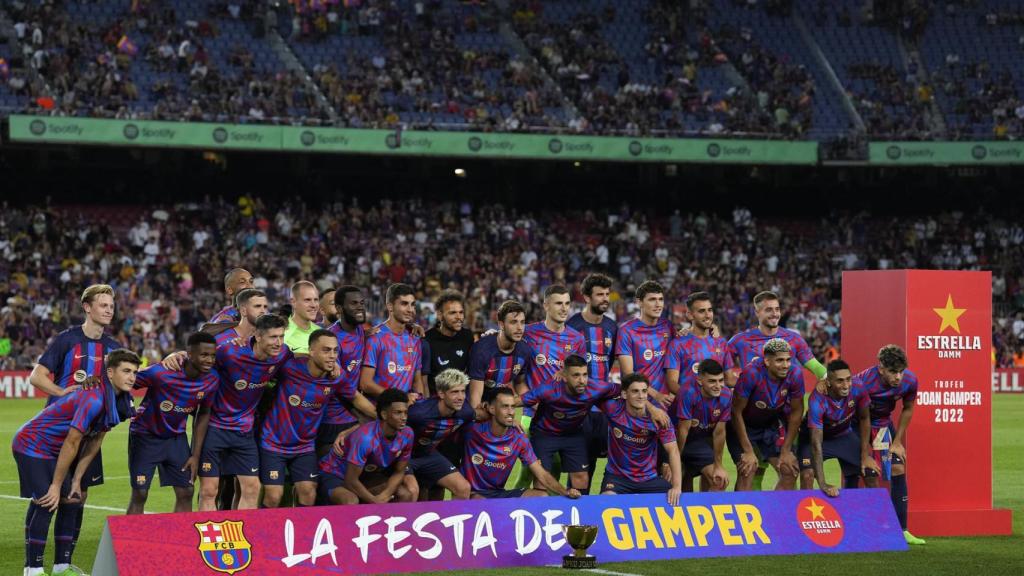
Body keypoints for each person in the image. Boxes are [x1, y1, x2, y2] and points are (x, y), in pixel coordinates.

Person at [14, 349, 140, 576]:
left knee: (72, 499)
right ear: (110, 373)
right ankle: (33, 570)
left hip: (52, 449)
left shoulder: (119, 400)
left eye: (134, 372)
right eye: (126, 371)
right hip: (33, 444)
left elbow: (95, 441)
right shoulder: (94, 399)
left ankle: (61, 567)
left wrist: (77, 481)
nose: (132, 377)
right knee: (48, 501)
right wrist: (55, 485)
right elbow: (72, 442)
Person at [27, 284, 122, 556]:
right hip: (58, 431)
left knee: (77, 496)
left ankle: (63, 563)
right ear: (87, 307)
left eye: (111, 306)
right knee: (47, 496)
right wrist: (61, 391)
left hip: (90, 434)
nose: (108, 310)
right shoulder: (66, 340)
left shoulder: (113, 348)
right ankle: (32, 565)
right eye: (103, 305)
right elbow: (37, 376)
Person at [260, 329, 375, 507]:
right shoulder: (290, 368)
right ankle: (265, 533)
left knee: (308, 494)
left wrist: (381, 415)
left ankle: (300, 533)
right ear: (311, 351)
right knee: (274, 496)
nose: (332, 356)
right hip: (274, 442)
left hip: (304, 446)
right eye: (326, 350)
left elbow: (355, 397)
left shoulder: (336, 378)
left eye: (335, 351)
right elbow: (268, 357)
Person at [192, 314, 291, 510]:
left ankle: (244, 538)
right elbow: (201, 361)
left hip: (244, 432)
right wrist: (176, 355)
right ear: (258, 336)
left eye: (281, 336)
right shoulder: (230, 351)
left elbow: (301, 360)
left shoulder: (282, 354)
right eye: (273, 337)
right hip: (215, 428)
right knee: (209, 490)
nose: (278, 342)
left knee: (252, 488)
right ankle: (208, 539)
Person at [127, 332, 219, 514]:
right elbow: (128, 380)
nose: (209, 360)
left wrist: (195, 455)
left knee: (186, 492)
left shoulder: (212, 379)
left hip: (176, 439)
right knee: (140, 493)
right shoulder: (161, 372)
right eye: (204, 355)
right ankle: (131, 541)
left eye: (212, 356)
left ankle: (179, 539)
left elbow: (204, 413)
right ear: (189, 354)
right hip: (145, 436)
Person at [512, 284, 586, 489]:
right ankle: (513, 509)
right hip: (532, 413)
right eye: (558, 303)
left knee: (554, 470)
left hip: (562, 417)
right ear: (546, 305)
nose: (564, 308)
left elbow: (578, 378)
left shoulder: (577, 339)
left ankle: (548, 512)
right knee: (532, 470)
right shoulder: (529, 333)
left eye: (567, 303)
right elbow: (518, 375)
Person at [853, 345, 926, 545]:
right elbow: (859, 417)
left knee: (897, 466)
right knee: (868, 473)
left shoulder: (909, 380)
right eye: (893, 372)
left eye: (901, 371)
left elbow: (908, 408)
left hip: (883, 425)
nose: (898, 377)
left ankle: (902, 529)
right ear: (881, 368)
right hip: (856, 424)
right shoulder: (863, 382)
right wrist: (865, 451)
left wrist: (897, 442)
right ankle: (873, 528)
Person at [461, 387, 581, 499]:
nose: (511, 412)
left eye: (513, 407)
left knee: (541, 495)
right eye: (505, 407)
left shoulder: (518, 438)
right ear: (491, 408)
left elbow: (541, 474)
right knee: (479, 499)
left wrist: (565, 491)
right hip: (474, 494)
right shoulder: (472, 430)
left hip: (499, 494)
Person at [728, 338, 804, 491]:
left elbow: (797, 412)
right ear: (767, 361)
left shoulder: (795, 373)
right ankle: (743, 512)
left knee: (789, 470)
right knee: (747, 469)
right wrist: (748, 451)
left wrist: (786, 450)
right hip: (742, 425)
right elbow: (736, 412)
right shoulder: (752, 373)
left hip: (769, 424)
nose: (786, 365)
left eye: (788, 360)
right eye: (780, 360)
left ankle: (778, 513)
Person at [317, 389, 417, 504]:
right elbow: (350, 481)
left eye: (405, 412)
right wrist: (375, 501)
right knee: (350, 501)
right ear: (384, 414)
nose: (404, 417)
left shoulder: (407, 434)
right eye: (398, 413)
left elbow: (399, 471)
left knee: (404, 494)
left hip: (364, 475)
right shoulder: (366, 438)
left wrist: (385, 495)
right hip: (335, 473)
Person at [566, 273, 618, 493]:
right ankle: (576, 523)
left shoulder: (612, 327)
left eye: (607, 294)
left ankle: (598, 518)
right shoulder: (573, 325)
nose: (605, 298)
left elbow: (612, 357)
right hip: (579, 410)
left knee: (611, 468)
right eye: (599, 294)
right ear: (586, 297)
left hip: (604, 410)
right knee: (580, 476)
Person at [800, 359, 879, 497]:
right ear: (828, 382)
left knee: (870, 472)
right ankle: (804, 516)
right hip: (814, 440)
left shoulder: (858, 387)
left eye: (848, 379)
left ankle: (879, 516)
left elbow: (864, 418)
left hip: (843, 435)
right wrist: (823, 483)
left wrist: (865, 455)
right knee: (807, 475)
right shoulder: (816, 400)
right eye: (840, 381)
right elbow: (816, 443)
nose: (846, 385)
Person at [599, 373, 682, 505]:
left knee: (674, 501)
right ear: (625, 394)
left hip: (649, 478)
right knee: (606, 502)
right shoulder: (613, 408)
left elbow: (673, 450)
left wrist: (677, 487)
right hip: (617, 477)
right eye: (635, 391)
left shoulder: (660, 419)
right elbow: (592, 392)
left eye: (644, 391)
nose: (641, 396)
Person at [403, 369, 474, 500]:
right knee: (412, 491)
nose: (460, 397)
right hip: (405, 457)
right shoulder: (418, 413)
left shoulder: (466, 412)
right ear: (441, 393)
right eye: (454, 392)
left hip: (428, 454)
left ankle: (453, 520)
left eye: (463, 391)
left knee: (463, 488)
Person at [317, 286, 369, 457]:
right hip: (332, 418)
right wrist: (380, 415)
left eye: (362, 302)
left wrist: (410, 326)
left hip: (352, 414)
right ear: (339, 309)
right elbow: (346, 391)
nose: (360, 307)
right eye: (354, 303)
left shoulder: (360, 330)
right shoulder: (331, 340)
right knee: (329, 473)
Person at [675, 359, 732, 492]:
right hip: (673, 441)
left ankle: (709, 511)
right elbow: (683, 431)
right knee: (679, 481)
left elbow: (719, 432)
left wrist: (718, 465)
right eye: (712, 381)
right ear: (700, 380)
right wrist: (675, 462)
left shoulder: (726, 395)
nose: (718, 385)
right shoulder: (688, 392)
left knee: (719, 480)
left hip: (697, 442)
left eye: (721, 380)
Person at [360, 283, 425, 401]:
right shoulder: (375, 338)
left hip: (407, 407)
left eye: (413, 305)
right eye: (404, 304)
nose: (410, 310)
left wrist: (421, 402)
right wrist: (400, 398)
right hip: (381, 408)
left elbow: (417, 381)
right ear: (390, 306)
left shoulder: (415, 338)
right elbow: (365, 384)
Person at [666, 291, 736, 397]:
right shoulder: (677, 344)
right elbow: (672, 383)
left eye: (710, 310)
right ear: (690, 315)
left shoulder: (721, 342)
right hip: (690, 410)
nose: (708, 315)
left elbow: (730, 380)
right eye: (702, 311)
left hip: (716, 409)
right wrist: (694, 400)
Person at [616, 280, 675, 407]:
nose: (658, 304)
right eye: (652, 299)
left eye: (661, 299)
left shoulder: (668, 327)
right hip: (638, 403)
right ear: (639, 302)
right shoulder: (627, 330)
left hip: (666, 403)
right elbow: (628, 374)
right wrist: (655, 395)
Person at [467, 300, 530, 409]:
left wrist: (536, 403)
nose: (520, 328)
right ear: (501, 324)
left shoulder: (524, 350)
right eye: (513, 322)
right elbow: (475, 402)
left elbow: (519, 383)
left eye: (522, 322)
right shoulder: (482, 350)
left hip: (499, 407)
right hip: (478, 407)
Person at [423, 290, 475, 397]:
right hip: (436, 400)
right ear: (440, 315)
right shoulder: (427, 340)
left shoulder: (468, 336)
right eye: (452, 313)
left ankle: (519, 414)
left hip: (460, 398)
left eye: (461, 312)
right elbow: (423, 383)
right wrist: (427, 407)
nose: (459, 317)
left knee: (514, 407)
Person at [284, 281, 322, 354]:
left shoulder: (321, 332)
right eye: (307, 300)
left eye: (316, 300)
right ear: (293, 302)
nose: (313, 305)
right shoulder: (282, 334)